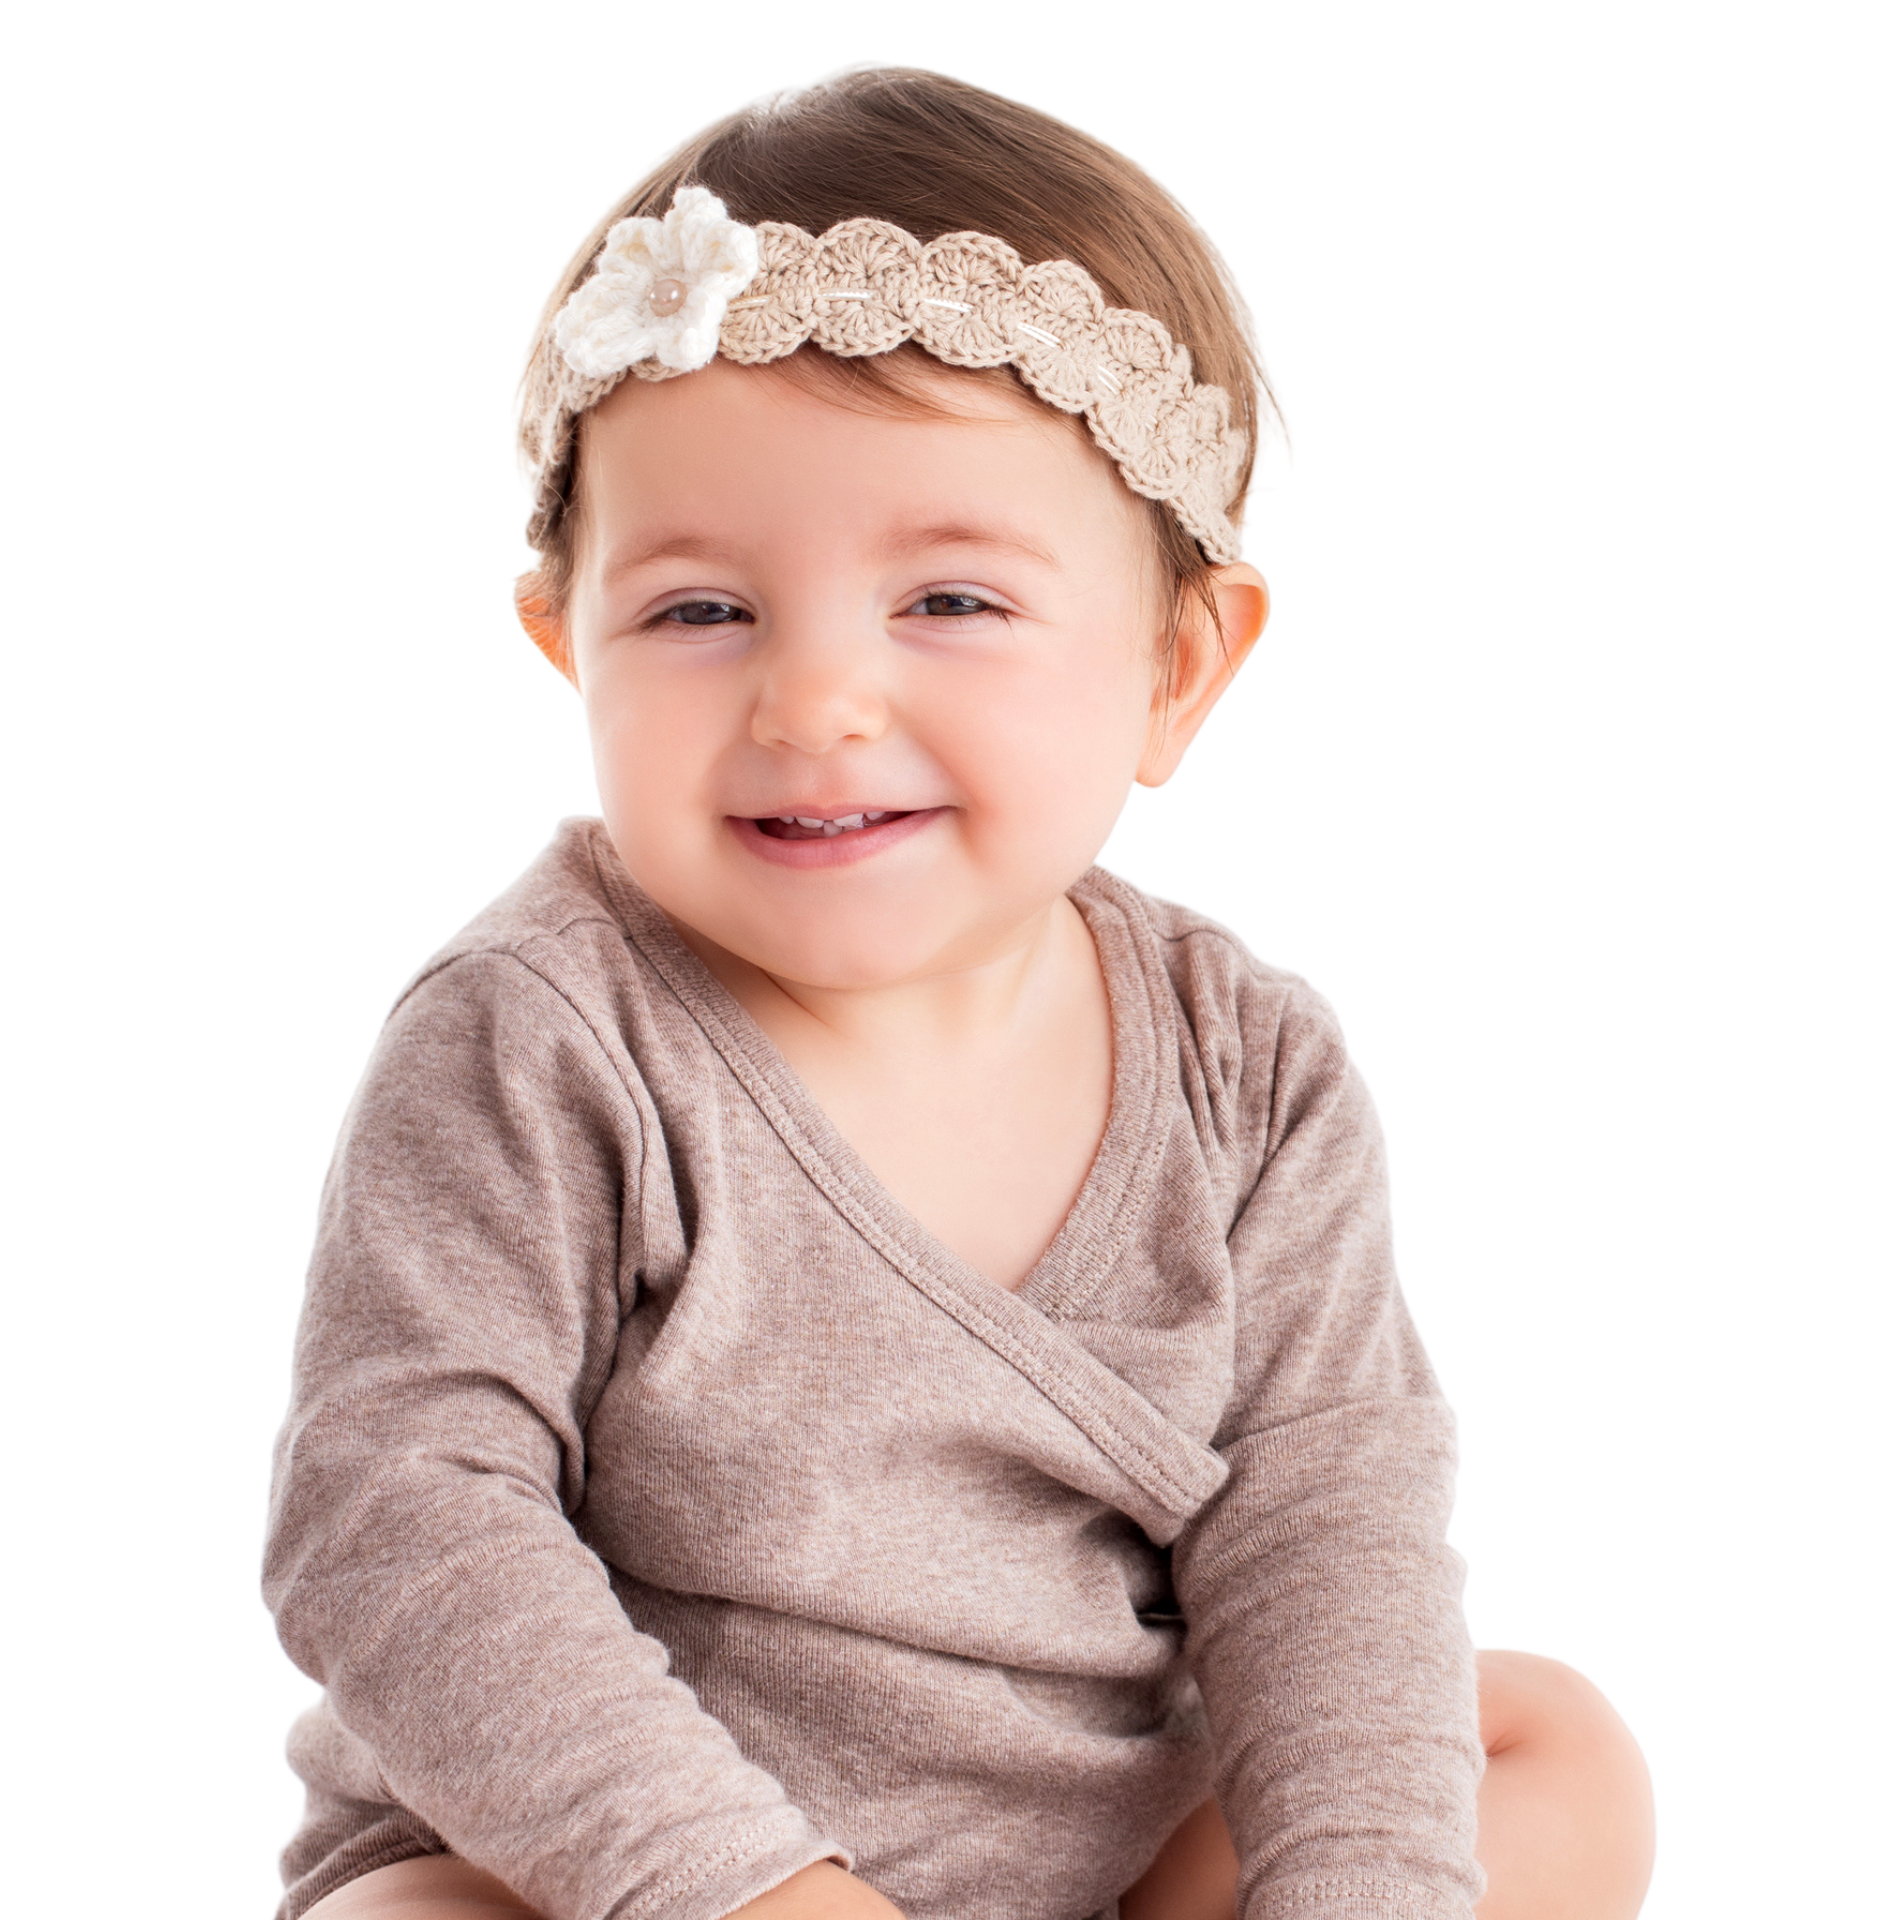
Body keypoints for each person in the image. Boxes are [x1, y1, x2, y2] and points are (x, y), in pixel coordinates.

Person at [260, 62, 1657, 1920]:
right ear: (563, 644)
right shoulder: (537, 1031)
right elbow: (397, 1526)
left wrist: (1357, 1892)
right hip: (621, 1872)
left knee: (1541, 1747)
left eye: (951, 603)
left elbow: (1326, 1531)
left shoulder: (1252, 1061)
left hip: (1108, 1853)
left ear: (1180, 666)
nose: (814, 701)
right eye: (698, 610)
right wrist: (750, 1894)